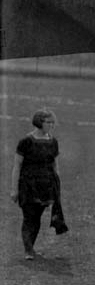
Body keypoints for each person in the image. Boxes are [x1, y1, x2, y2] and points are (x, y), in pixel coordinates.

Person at [11, 109, 68, 260]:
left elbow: (56, 166)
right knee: (29, 217)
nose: (51, 125)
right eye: (48, 122)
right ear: (39, 122)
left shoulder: (53, 142)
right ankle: (28, 250)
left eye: (52, 122)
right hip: (28, 185)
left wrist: (56, 186)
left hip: (46, 186)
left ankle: (31, 249)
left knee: (37, 218)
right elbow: (17, 166)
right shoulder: (26, 141)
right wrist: (14, 190)